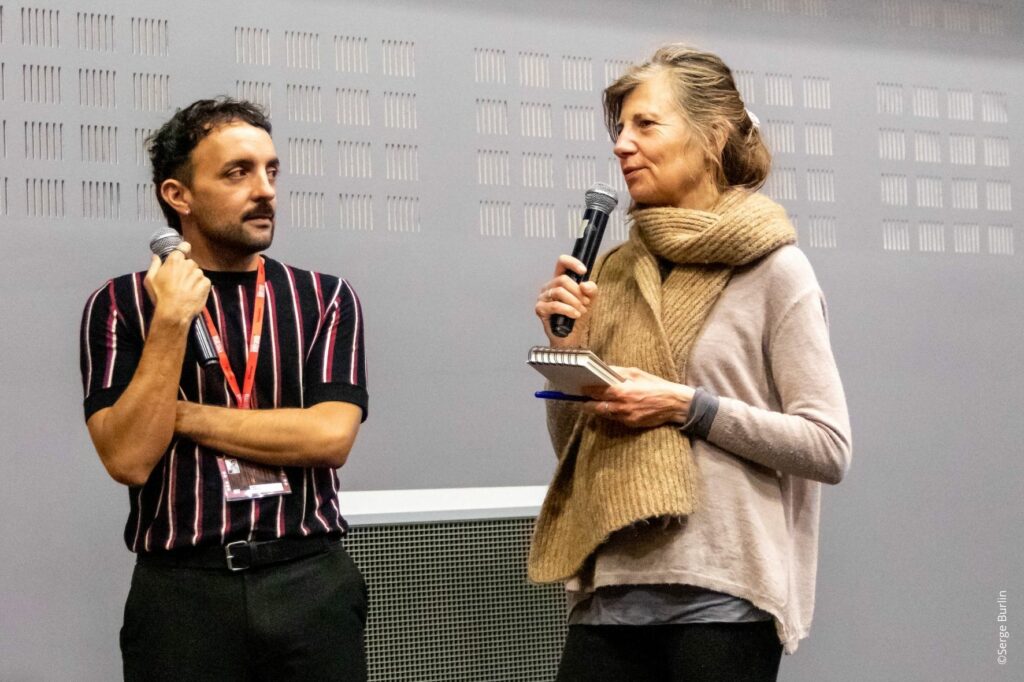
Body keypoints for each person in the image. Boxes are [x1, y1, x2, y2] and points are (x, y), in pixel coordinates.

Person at [530, 45, 852, 681]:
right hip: (609, 590)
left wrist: (687, 406)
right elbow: (575, 448)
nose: (622, 144)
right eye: (620, 128)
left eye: (646, 124)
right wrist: (570, 352)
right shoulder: (612, 270)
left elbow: (828, 447)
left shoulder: (775, 270)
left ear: (713, 138)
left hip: (723, 596)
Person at [79, 98, 369, 681]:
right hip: (183, 593)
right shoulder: (120, 304)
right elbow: (129, 457)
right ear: (178, 195)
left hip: (309, 581)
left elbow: (328, 438)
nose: (265, 190)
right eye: (238, 172)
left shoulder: (325, 298)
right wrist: (170, 322)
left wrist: (182, 416)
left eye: (271, 171)